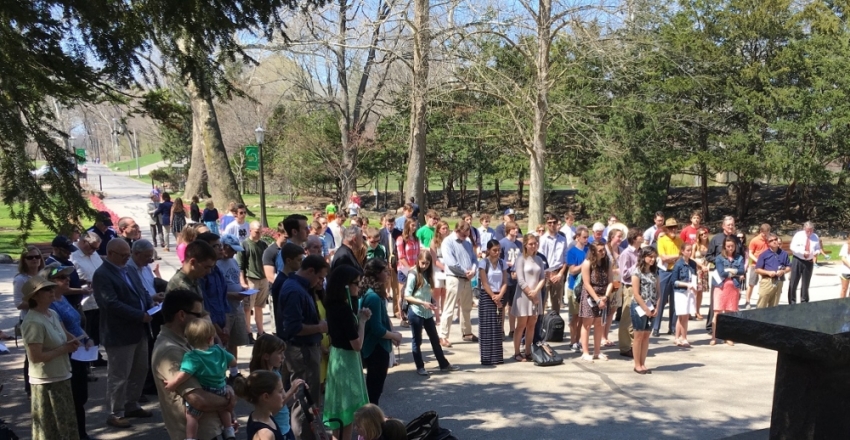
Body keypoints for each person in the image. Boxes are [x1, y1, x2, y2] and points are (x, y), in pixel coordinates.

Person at [153, 289, 236, 440]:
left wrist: (227, 389)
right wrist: (229, 400)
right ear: (181, 315)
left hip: (213, 428)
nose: (203, 319)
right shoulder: (170, 350)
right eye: (198, 315)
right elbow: (199, 400)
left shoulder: (190, 342)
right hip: (202, 434)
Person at [92, 239, 155, 428]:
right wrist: (139, 315)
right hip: (119, 333)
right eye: (124, 255)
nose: (127, 258)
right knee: (119, 375)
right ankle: (115, 412)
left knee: (140, 370)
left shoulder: (129, 269)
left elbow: (142, 291)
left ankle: (131, 404)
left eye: (129, 255)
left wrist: (150, 304)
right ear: (111, 253)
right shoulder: (102, 274)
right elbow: (111, 304)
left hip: (139, 330)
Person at [21, 275, 82, 439]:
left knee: (66, 425)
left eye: (52, 288)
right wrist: (65, 349)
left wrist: (74, 339)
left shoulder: (52, 313)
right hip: (46, 382)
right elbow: (35, 357)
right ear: (35, 296)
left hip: (62, 375)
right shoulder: (33, 322)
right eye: (46, 289)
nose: (52, 291)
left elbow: (64, 334)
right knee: (51, 430)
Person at [277, 255, 330, 440]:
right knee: (304, 402)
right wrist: (319, 328)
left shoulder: (301, 287)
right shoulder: (294, 290)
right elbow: (293, 327)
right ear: (310, 271)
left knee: (308, 400)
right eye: (319, 277)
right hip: (302, 351)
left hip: (307, 349)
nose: (320, 282)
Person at [40, 264, 95, 440]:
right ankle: (77, 435)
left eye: (67, 276)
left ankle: (81, 433)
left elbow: (75, 324)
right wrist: (77, 341)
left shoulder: (62, 298)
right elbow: (62, 331)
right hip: (68, 353)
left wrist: (87, 338)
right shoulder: (50, 306)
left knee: (81, 396)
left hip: (79, 351)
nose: (67, 279)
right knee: (74, 397)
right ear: (49, 282)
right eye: (62, 277)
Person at [323, 265, 372, 439]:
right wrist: (362, 321)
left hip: (337, 357)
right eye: (356, 283)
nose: (359, 287)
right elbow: (357, 344)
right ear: (345, 285)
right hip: (346, 362)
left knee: (339, 417)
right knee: (348, 414)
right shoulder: (343, 309)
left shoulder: (334, 305)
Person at [360, 259, 404, 405]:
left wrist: (392, 334)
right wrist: (394, 335)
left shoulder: (372, 294)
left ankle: (373, 413)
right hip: (376, 348)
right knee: (374, 389)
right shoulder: (373, 297)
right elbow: (377, 329)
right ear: (377, 274)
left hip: (376, 347)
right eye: (385, 271)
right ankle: (371, 416)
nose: (388, 274)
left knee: (374, 387)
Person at [249, 334, 304, 440]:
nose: (283, 357)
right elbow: (273, 409)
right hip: (278, 430)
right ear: (266, 356)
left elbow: (283, 400)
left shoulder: (275, 373)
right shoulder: (264, 380)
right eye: (279, 353)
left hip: (285, 426)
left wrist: (295, 392)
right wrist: (291, 390)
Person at [439, 220, 479, 345]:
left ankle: (467, 332)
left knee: (466, 307)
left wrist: (473, 270)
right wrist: (465, 271)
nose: (465, 237)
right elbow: (451, 262)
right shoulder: (448, 242)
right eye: (463, 234)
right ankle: (443, 336)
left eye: (467, 234)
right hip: (454, 278)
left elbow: (474, 259)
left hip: (467, 278)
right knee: (449, 308)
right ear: (457, 230)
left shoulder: (467, 242)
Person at [218, 234, 250, 378]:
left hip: (237, 306)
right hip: (226, 308)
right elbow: (217, 291)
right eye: (232, 250)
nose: (234, 253)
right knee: (223, 341)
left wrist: (242, 288)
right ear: (224, 247)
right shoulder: (217, 264)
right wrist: (232, 295)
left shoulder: (233, 261)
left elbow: (235, 279)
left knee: (235, 341)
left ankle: (234, 371)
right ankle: (221, 374)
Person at [705, 215, 743, 332]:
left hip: (734, 277)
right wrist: (720, 261)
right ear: (723, 226)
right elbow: (708, 256)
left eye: (732, 224)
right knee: (716, 302)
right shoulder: (716, 239)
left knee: (731, 304)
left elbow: (740, 256)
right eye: (728, 225)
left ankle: (727, 329)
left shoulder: (737, 240)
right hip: (719, 275)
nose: (731, 227)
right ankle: (711, 327)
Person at [512, 234, 545, 362]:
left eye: (535, 243)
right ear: (525, 245)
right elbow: (520, 280)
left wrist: (536, 292)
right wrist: (530, 293)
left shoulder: (539, 259)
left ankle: (528, 351)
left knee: (532, 325)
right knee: (521, 325)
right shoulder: (521, 258)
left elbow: (542, 278)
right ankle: (517, 352)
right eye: (531, 244)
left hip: (536, 295)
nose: (533, 246)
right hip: (523, 296)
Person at [579, 242, 612, 362]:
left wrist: (606, 296)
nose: (603, 252)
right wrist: (597, 299)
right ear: (593, 251)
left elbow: (610, 281)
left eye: (604, 250)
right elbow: (586, 283)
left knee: (599, 324)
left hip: (603, 295)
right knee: (587, 324)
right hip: (590, 296)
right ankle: (585, 352)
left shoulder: (607, 262)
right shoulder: (587, 263)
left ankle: (597, 352)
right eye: (600, 250)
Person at [238, 221, 270, 343]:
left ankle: (260, 332)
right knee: (248, 308)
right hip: (251, 279)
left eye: (261, 232)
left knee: (259, 306)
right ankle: (248, 332)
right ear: (250, 230)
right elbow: (241, 265)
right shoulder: (244, 245)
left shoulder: (263, 244)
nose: (259, 234)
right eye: (257, 232)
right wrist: (243, 281)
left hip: (263, 278)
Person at [478, 240, 507, 366]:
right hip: (487, 295)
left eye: (499, 250)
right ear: (489, 250)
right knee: (487, 327)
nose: (497, 252)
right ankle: (487, 357)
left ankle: (497, 357)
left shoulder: (502, 263)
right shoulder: (484, 263)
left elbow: (505, 281)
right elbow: (484, 283)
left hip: (499, 294)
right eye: (495, 250)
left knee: (497, 326)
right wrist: (493, 296)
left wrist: (500, 295)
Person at [712, 237, 745, 346]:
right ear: (724, 246)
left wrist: (730, 271)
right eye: (728, 246)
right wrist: (734, 272)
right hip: (721, 287)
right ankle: (714, 336)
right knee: (717, 313)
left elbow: (742, 271)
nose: (730, 248)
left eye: (732, 246)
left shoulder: (739, 257)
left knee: (730, 314)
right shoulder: (719, 258)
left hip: (733, 288)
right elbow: (721, 272)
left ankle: (728, 337)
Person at [631, 248, 659, 374]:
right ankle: (637, 364)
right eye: (650, 257)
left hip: (652, 307)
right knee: (638, 336)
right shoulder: (637, 272)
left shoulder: (655, 272)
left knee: (646, 335)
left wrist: (657, 307)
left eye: (654, 257)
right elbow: (636, 294)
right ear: (644, 257)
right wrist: (645, 308)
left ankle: (643, 363)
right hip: (639, 307)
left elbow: (658, 292)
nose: (652, 259)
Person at [653, 218, 683, 337]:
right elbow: (664, 258)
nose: (673, 230)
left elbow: (683, 256)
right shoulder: (662, 240)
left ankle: (673, 327)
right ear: (666, 229)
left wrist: (672, 257)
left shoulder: (680, 240)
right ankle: (656, 327)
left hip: (676, 272)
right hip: (664, 272)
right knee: (661, 300)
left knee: (675, 301)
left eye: (675, 227)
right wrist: (676, 256)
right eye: (670, 228)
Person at [46, 235, 91, 309]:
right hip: (64, 306)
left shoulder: (68, 262)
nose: (69, 253)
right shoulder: (52, 265)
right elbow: (59, 288)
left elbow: (72, 280)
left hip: (76, 304)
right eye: (66, 251)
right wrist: (82, 291)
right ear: (56, 249)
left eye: (70, 251)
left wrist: (85, 281)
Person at [618, 228, 642, 359]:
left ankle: (635, 345)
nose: (642, 237)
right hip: (629, 287)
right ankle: (624, 347)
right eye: (640, 235)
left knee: (637, 318)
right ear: (634, 239)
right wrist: (637, 264)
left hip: (640, 287)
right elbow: (624, 274)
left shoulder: (641, 252)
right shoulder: (626, 254)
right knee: (626, 318)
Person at [565, 226, 590, 352]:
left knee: (582, 317)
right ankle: (572, 341)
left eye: (587, 237)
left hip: (586, 288)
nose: (586, 240)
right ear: (578, 237)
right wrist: (584, 264)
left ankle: (578, 340)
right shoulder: (572, 252)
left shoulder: (589, 250)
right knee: (574, 317)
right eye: (584, 237)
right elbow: (572, 270)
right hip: (574, 288)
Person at [788, 221, 824, 304]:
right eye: (808, 231)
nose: (809, 233)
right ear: (804, 228)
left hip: (809, 262)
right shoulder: (798, 235)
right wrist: (802, 252)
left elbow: (818, 248)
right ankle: (792, 301)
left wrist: (817, 252)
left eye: (811, 230)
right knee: (793, 282)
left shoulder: (815, 236)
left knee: (806, 283)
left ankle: (804, 301)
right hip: (798, 259)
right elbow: (792, 247)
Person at [499, 221, 523, 340]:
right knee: (502, 305)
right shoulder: (502, 243)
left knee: (513, 305)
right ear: (509, 230)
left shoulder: (519, 244)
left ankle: (512, 330)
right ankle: (501, 329)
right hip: (506, 277)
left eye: (517, 228)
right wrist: (507, 264)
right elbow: (498, 259)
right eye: (514, 228)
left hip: (517, 279)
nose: (516, 230)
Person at [539, 213, 567, 314]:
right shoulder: (542, 239)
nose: (552, 225)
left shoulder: (563, 239)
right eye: (549, 223)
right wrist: (548, 274)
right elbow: (541, 259)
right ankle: (541, 322)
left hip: (558, 272)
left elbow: (565, 258)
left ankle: (555, 323)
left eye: (554, 222)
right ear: (546, 224)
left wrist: (560, 274)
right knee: (542, 302)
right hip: (545, 273)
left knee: (557, 304)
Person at [755, 234, 792, 308]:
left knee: (774, 305)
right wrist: (768, 272)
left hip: (779, 281)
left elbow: (789, 267)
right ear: (768, 243)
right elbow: (757, 269)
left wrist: (783, 271)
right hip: (767, 281)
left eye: (775, 239)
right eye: (771, 240)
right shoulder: (764, 254)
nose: (774, 241)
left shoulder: (784, 253)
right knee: (762, 304)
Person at [672, 243, 697, 347]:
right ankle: (684, 338)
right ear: (682, 251)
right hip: (680, 292)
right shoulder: (678, 264)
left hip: (690, 291)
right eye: (687, 250)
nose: (690, 252)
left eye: (691, 250)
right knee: (683, 315)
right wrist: (686, 284)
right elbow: (674, 281)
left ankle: (677, 337)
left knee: (684, 316)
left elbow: (694, 277)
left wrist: (696, 285)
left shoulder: (693, 263)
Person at [396, 218, 420, 327]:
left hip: (415, 269)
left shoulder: (416, 239)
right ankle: (403, 318)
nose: (414, 228)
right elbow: (401, 257)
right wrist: (409, 268)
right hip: (404, 270)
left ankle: (412, 316)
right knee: (403, 294)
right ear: (407, 226)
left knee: (413, 294)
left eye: (415, 225)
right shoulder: (401, 239)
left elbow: (418, 254)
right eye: (412, 225)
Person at [744, 224, 771, 309]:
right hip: (755, 265)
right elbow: (750, 253)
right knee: (751, 283)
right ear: (760, 231)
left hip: (766, 265)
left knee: (766, 284)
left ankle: (764, 301)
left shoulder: (769, 240)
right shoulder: (755, 240)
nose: (765, 235)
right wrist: (757, 260)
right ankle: (747, 301)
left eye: (767, 233)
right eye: (764, 233)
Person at [429, 220, 450, 326]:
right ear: (438, 230)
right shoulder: (434, 241)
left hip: (448, 267)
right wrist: (443, 268)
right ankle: (437, 317)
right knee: (437, 293)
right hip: (438, 268)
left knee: (445, 293)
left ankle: (444, 315)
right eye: (443, 228)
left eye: (446, 228)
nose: (445, 230)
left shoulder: (449, 240)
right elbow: (434, 259)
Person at [693, 228, 710, 320]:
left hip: (705, 270)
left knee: (700, 291)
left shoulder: (709, 245)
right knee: (695, 291)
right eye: (701, 234)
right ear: (698, 236)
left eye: (705, 233)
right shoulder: (695, 245)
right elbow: (691, 258)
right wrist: (701, 265)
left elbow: (711, 257)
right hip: (697, 270)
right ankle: (691, 311)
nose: (704, 235)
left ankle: (697, 311)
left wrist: (708, 266)